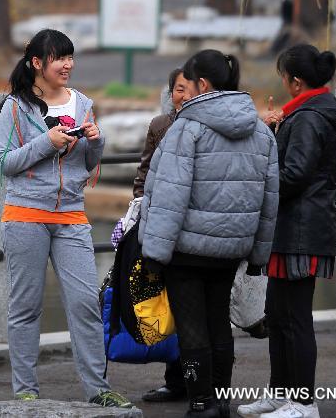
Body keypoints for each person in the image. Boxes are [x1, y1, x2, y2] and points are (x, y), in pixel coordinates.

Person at [0, 28, 133, 408]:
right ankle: (25, 390)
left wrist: (95, 141)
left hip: (71, 215)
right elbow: (5, 164)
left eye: (70, 57)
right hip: (25, 215)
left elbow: (89, 165)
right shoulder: (15, 107)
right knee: (26, 306)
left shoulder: (82, 103)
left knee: (86, 302)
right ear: (37, 63)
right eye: (60, 58)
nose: (68, 65)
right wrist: (46, 142)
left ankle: (98, 389)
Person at [139, 49, 279, 418]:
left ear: (202, 84)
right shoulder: (262, 132)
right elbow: (270, 198)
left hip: (187, 248)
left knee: (191, 328)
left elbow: (169, 194)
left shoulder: (187, 128)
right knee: (219, 321)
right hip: (233, 247)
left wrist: (154, 251)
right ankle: (221, 400)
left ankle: (201, 402)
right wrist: (257, 256)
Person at [238, 45, 336, 418]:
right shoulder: (308, 113)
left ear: (296, 81)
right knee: (278, 313)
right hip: (295, 227)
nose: (284, 83)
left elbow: (295, 175)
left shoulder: (307, 118)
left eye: (284, 77)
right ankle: (280, 393)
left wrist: (260, 179)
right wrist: (275, 130)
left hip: (301, 228)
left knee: (296, 318)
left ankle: (304, 403)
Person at [132, 68, 188, 404]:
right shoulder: (160, 125)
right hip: (162, 229)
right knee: (168, 305)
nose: (183, 95)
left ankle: (204, 383)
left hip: (195, 232)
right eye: (177, 89)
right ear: (171, 92)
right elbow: (144, 174)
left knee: (195, 310)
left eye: (188, 88)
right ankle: (175, 380)